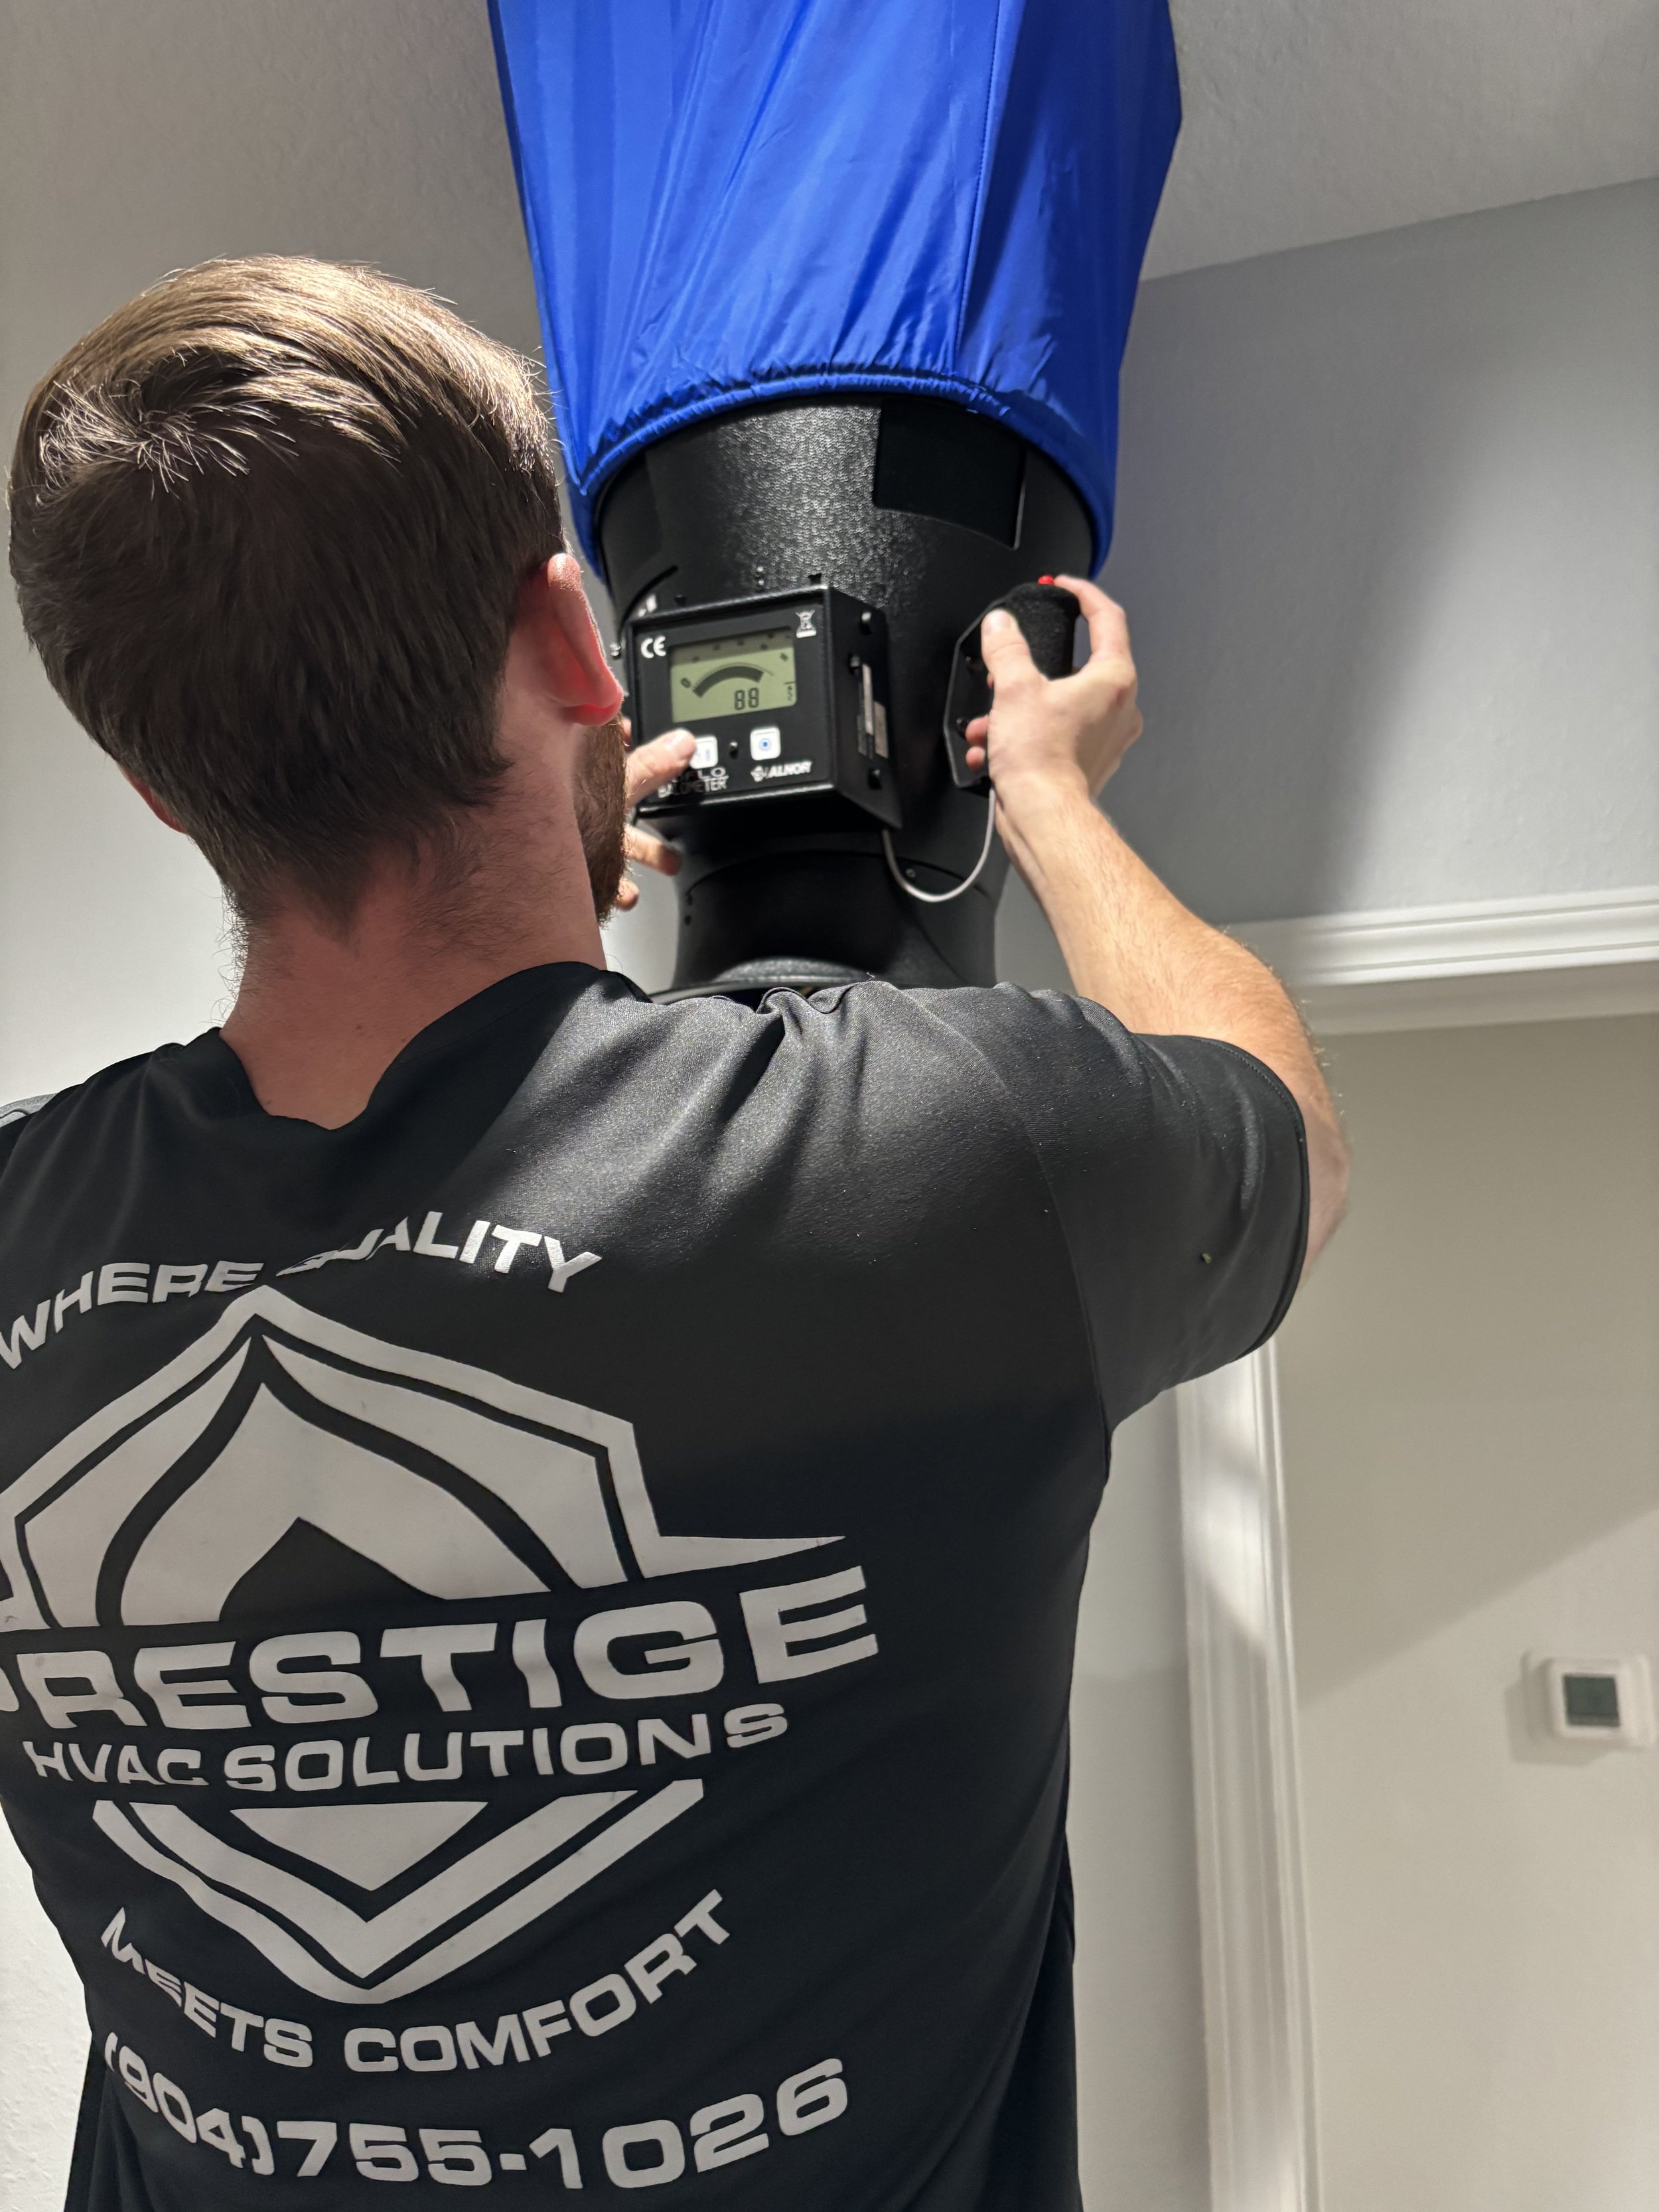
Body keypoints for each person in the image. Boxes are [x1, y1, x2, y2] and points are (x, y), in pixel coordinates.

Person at [2, 258, 1346, 2212]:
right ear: (572, 641)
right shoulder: (943, 1151)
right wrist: (1049, 801)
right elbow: (1284, 1135)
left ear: (149, 776)